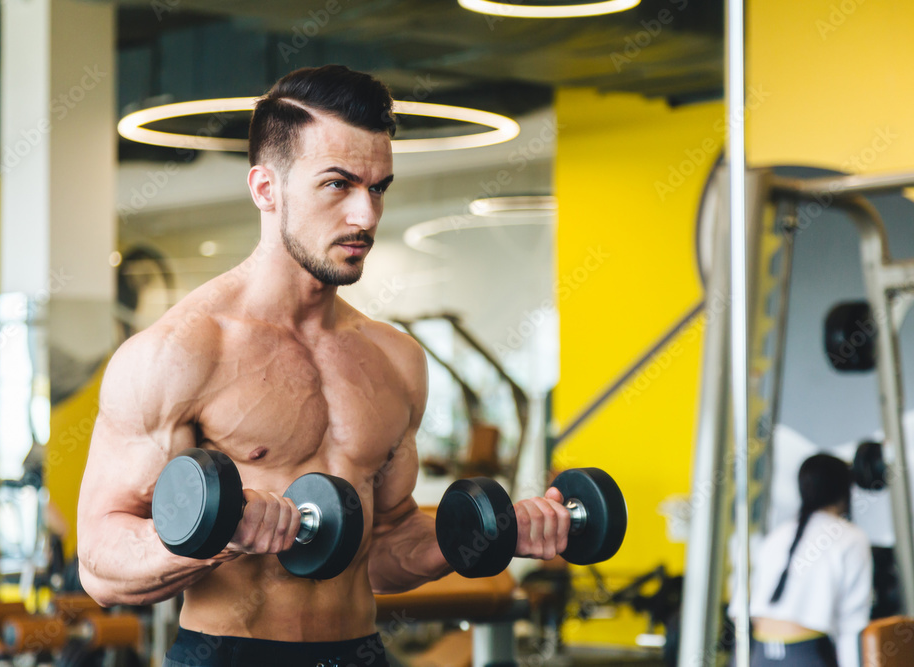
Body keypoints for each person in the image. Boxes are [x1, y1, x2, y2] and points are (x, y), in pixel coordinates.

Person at [76, 65, 573, 667]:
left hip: (359, 650)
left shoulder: (394, 358)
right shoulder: (180, 353)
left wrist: (487, 533)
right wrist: (216, 536)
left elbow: (385, 550)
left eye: (379, 187)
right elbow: (101, 565)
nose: (366, 216)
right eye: (338, 185)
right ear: (266, 189)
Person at [745, 453, 872, 667]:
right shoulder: (851, 537)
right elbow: (852, 625)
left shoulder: (777, 536)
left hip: (760, 654)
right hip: (806, 655)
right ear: (845, 490)